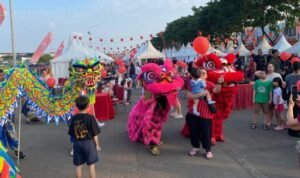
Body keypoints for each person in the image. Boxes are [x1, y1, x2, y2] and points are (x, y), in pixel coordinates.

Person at [186, 69, 223, 159]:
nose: (202, 74)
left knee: (206, 134)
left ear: (206, 75)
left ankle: (208, 150)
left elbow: (216, 91)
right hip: (193, 114)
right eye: (200, 73)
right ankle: (195, 147)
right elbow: (188, 95)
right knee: (194, 132)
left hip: (206, 114)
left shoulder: (209, 84)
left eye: (204, 73)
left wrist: (219, 83)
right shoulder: (193, 83)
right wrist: (200, 95)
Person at [68, 96, 101, 178]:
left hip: (77, 143)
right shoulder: (91, 118)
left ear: (77, 106)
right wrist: (97, 145)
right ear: (88, 106)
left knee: (78, 166)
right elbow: (95, 134)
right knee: (91, 166)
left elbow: (71, 133)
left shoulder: (74, 118)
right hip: (89, 144)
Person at [0, 69, 26, 160]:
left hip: (8, 116)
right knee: (0, 135)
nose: (2, 77)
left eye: (3, 75)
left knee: (11, 133)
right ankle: (3, 154)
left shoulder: (8, 85)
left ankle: (16, 151)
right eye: (0, 75)